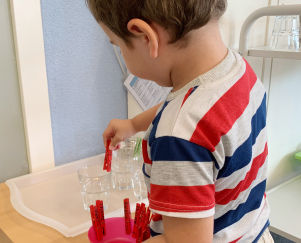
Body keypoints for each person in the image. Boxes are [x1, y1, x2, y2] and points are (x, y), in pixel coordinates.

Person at [86, 0, 273, 242]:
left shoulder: (178, 139)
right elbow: (190, 108)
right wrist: (133, 125)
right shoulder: (238, 71)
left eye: (119, 45)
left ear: (144, 36)